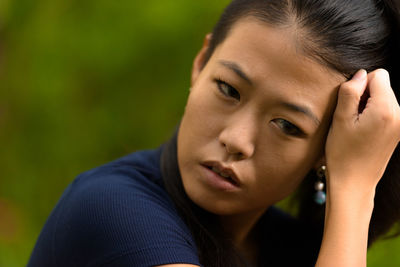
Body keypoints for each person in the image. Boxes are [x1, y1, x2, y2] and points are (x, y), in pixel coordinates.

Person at [28, 0, 400, 266]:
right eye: (228, 89)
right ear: (201, 63)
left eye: (287, 125)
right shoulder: (115, 211)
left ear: (329, 149)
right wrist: (353, 191)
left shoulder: (303, 250)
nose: (236, 140)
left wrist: (352, 190)